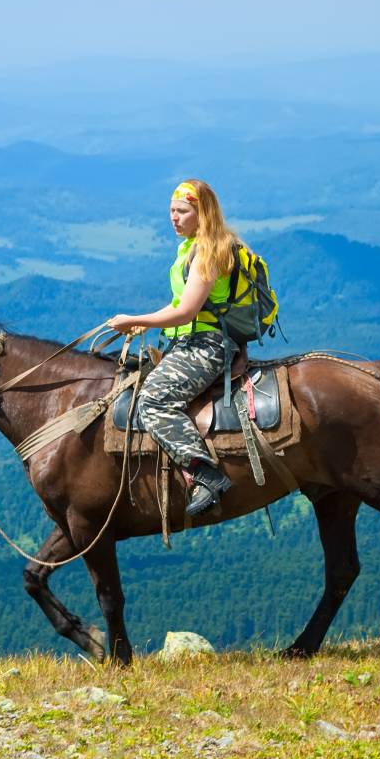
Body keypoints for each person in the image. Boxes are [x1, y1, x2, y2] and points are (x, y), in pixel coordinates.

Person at [105, 179, 250, 517]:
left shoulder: (209, 250)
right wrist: (146, 323)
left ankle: (204, 473)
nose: (173, 217)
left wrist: (133, 318)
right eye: (171, 210)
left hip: (208, 345)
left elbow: (186, 312)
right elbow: (180, 304)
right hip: (188, 339)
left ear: (202, 213)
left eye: (182, 211)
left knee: (153, 400)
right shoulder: (190, 247)